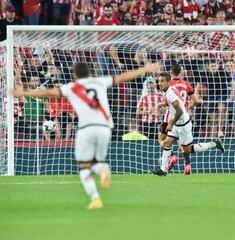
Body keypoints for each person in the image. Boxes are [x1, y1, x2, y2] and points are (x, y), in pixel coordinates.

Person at [11, 62, 161, 209]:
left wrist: (24, 92)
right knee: (96, 161)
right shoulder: (99, 81)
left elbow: (48, 92)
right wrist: (145, 68)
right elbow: (123, 77)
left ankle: (96, 197)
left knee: (84, 166)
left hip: (86, 128)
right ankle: (102, 169)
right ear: (89, 73)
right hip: (105, 128)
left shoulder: (72, 87)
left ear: (75, 75)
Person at [151, 70, 225, 176]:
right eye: (159, 81)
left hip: (183, 125)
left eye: (162, 81)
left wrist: (171, 123)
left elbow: (179, 110)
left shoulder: (170, 93)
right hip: (177, 123)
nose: (160, 83)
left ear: (168, 81)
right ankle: (163, 170)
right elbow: (175, 105)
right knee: (167, 144)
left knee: (188, 150)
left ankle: (214, 144)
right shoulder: (169, 90)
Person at [157, 64, 199, 175]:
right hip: (184, 115)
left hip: (171, 116)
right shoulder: (186, 84)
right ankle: (187, 165)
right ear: (180, 72)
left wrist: (159, 105)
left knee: (161, 139)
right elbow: (196, 100)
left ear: (170, 72)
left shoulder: (170, 84)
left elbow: (168, 102)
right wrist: (191, 107)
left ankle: (172, 155)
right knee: (183, 143)